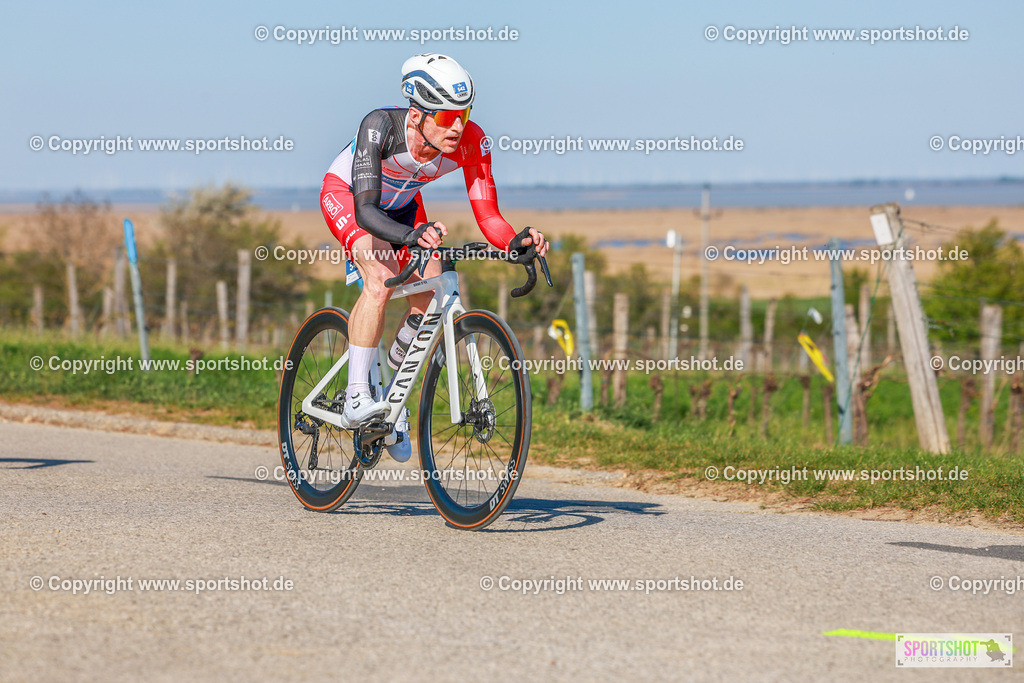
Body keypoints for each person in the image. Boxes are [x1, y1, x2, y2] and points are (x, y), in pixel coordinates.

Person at [319, 53, 549, 461]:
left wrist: (515, 241)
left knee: (430, 296)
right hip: (352, 197)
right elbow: (368, 211)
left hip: (405, 207)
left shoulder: (472, 141)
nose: (457, 127)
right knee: (381, 276)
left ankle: (389, 399)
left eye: (464, 114)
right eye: (445, 117)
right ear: (416, 115)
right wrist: (410, 236)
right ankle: (357, 396)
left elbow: (489, 215)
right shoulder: (380, 127)